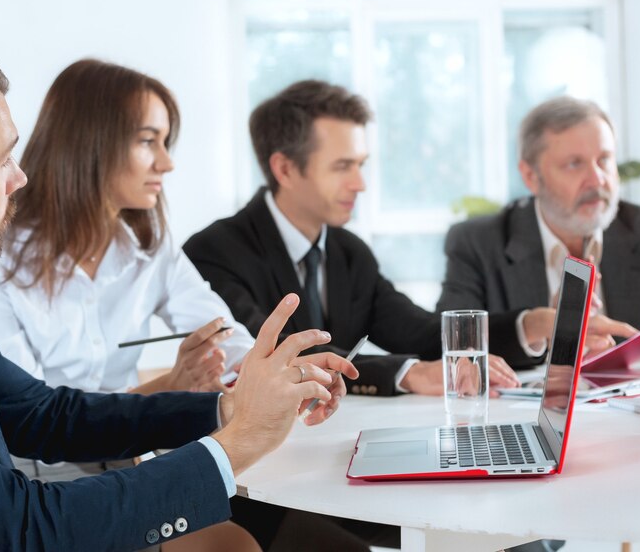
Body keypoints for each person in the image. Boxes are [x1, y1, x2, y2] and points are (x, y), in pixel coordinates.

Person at [0, 41, 356, 551]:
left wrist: (225, 408)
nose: (20, 179)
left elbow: (44, 414)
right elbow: (17, 526)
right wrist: (239, 444)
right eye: (3, 160)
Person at [183, 79, 524, 551]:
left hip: (336, 458)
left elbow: (421, 330)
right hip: (264, 485)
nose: (361, 183)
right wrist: (406, 373)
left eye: (360, 165)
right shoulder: (214, 252)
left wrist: (528, 326)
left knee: (493, 520)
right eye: (343, 166)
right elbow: (280, 358)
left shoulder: (348, 251)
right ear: (284, 167)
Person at [0, 59, 254, 400]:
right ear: (89, 143)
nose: (166, 163)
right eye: (147, 141)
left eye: (165, 142)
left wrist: (283, 372)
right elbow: (31, 417)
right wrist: (167, 387)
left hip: (132, 447)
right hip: (33, 454)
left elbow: (224, 338)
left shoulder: (149, 245)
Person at [436, 96, 640, 363]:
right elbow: (453, 347)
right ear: (531, 177)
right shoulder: (478, 243)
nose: (597, 179)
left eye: (604, 160)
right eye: (574, 164)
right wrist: (541, 330)